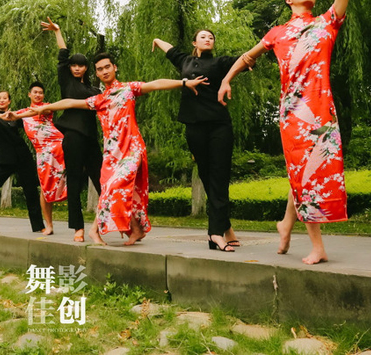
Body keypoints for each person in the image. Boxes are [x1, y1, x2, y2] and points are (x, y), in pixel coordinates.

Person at [218, 0, 371, 264]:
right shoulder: (277, 32)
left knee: (313, 168)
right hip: (293, 112)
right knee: (304, 169)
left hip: (322, 108)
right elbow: (247, 56)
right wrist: (226, 80)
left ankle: (285, 223)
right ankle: (318, 247)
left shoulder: (328, 23)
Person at [32, 54, 205, 246]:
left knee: (115, 185)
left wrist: (183, 83)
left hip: (132, 148)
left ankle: (93, 230)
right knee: (118, 188)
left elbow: (155, 84)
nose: (104, 71)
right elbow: (70, 102)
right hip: (112, 153)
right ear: (96, 74)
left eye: (107, 67)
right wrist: (41, 109)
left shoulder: (128, 89)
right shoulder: (100, 99)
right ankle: (137, 230)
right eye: (100, 69)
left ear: (115, 67)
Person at [152, 30, 242, 252]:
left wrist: (266, 44)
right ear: (195, 42)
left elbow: (246, 60)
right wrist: (156, 39)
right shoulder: (185, 61)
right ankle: (226, 226)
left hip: (219, 125)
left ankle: (215, 234)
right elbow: (169, 48)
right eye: (203, 36)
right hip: (194, 126)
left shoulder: (222, 62)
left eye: (211, 36)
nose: (208, 38)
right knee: (206, 174)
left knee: (219, 177)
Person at [39, 18, 102, 242]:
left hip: (91, 138)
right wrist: (58, 31)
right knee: (74, 181)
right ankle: (78, 228)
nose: (76, 68)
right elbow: (63, 54)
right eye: (74, 65)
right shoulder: (67, 82)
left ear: (86, 68)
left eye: (81, 65)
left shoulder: (95, 89)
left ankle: (110, 222)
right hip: (73, 137)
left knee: (102, 180)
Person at [0, 91, 45, 233]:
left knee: (31, 191)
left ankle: (39, 226)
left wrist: (16, 115)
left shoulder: (16, 117)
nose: (1, 100)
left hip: (22, 157)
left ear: (9, 101)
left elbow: (30, 117)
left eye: (4, 98)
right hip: (5, 159)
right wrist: (2, 116)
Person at [4, 82, 67, 235]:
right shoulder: (22, 112)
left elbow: (35, 112)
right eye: (35, 92)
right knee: (45, 189)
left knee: (71, 184)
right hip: (43, 153)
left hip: (59, 147)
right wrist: (5, 114)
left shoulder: (46, 107)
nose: (38, 95)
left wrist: (18, 115)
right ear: (29, 94)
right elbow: (4, 117)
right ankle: (49, 225)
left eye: (40, 92)